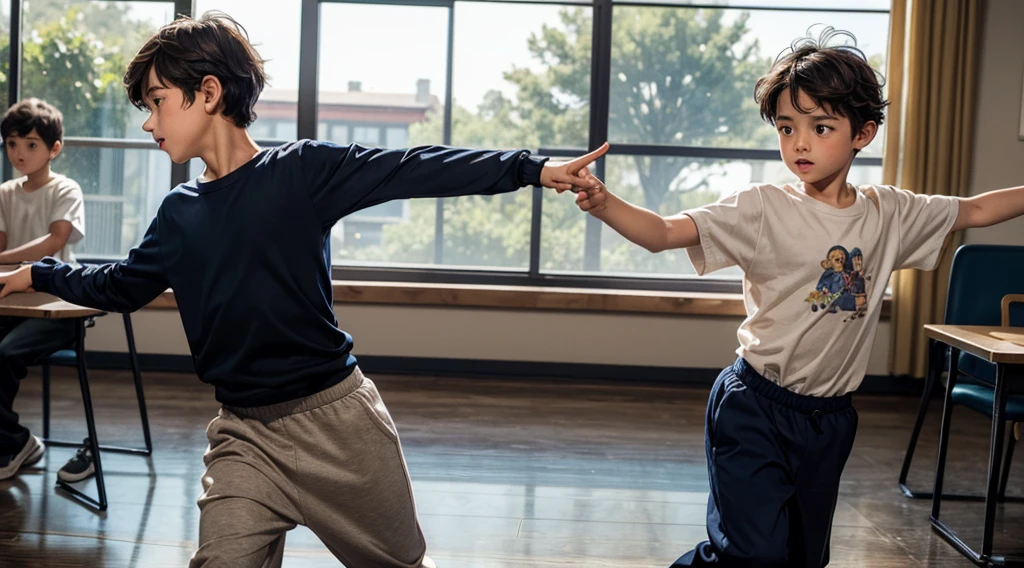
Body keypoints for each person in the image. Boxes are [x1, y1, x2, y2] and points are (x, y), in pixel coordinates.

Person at [0, 12, 607, 568]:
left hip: (338, 426)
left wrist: (531, 168)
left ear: (208, 93)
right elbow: (123, 284)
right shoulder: (179, 211)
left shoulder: (300, 171)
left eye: (157, 102)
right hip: (243, 433)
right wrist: (37, 274)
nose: (148, 121)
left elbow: (414, 167)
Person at [567, 26, 1024, 567]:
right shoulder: (762, 208)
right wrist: (603, 201)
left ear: (864, 133)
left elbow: (973, 209)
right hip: (755, 406)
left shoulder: (891, 213)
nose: (799, 143)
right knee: (749, 554)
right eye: (787, 128)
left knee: (803, 557)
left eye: (820, 126)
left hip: (830, 418)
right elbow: (663, 232)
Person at [0, 98, 85, 482]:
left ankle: (11, 444)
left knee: (2, 355)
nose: (19, 153)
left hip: (59, 306)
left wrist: (6, 261)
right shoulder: (5, 192)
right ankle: (16, 440)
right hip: (11, 302)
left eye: (31, 144)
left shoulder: (65, 189)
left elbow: (55, 242)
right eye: (12, 144)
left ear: (54, 148)